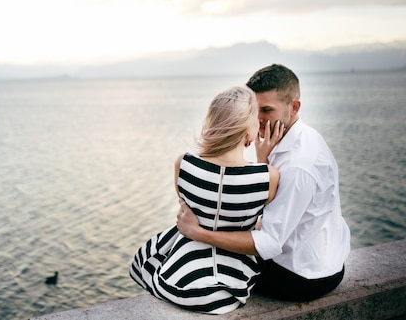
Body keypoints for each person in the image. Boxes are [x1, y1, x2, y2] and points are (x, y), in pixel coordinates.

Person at [177, 64, 351, 302]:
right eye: (254, 110)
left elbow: (269, 242)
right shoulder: (300, 137)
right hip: (321, 260)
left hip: (300, 276)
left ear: (295, 106)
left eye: (266, 110)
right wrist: (263, 160)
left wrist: (198, 232)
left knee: (206, 262)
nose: (257, 120)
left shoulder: (298, 164)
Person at [129, 86, 280, 314]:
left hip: (178, 284)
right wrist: (263, 158)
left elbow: (193, 211)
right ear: (247, 129)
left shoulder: (183, 164)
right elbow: (260, 226)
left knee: (153, 254)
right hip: (228, 292)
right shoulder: (268, 177)